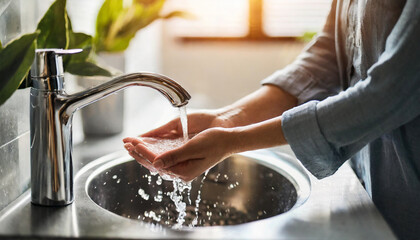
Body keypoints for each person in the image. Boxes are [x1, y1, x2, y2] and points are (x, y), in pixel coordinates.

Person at [123, 0, 420, 239]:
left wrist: (233, 141)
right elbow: (328, 53)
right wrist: (225, 119)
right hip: (369, 193)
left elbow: (390, 92)